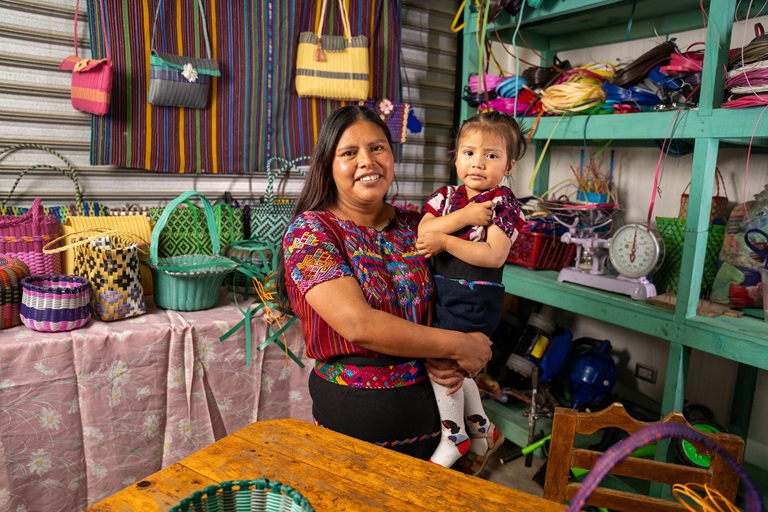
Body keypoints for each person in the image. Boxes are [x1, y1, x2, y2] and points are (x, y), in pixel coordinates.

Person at [276, 105, 493, 462]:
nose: (367, 161)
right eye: (349, 153)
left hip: (438, 426)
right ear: (328, 165)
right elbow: (358, 324)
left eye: (377, 148)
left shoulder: (421, 226)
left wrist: (464, 356)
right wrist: (459, 345)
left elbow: (469, 291)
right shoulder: (310, 233)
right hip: (352, 426)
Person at [416, 110, 526, 475]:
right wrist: (464, 218)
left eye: (491, 155)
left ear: (508, 165)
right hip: (445, 290)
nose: (478, 163)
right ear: (456, 157)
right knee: (454, 366)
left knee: (443, 362)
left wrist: (446, 241)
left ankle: (454, 437)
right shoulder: (446, 197)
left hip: (475, 294)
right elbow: (423, 234)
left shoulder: (503, 203)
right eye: (469, 152)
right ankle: (481, 427)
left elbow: (493, 254)